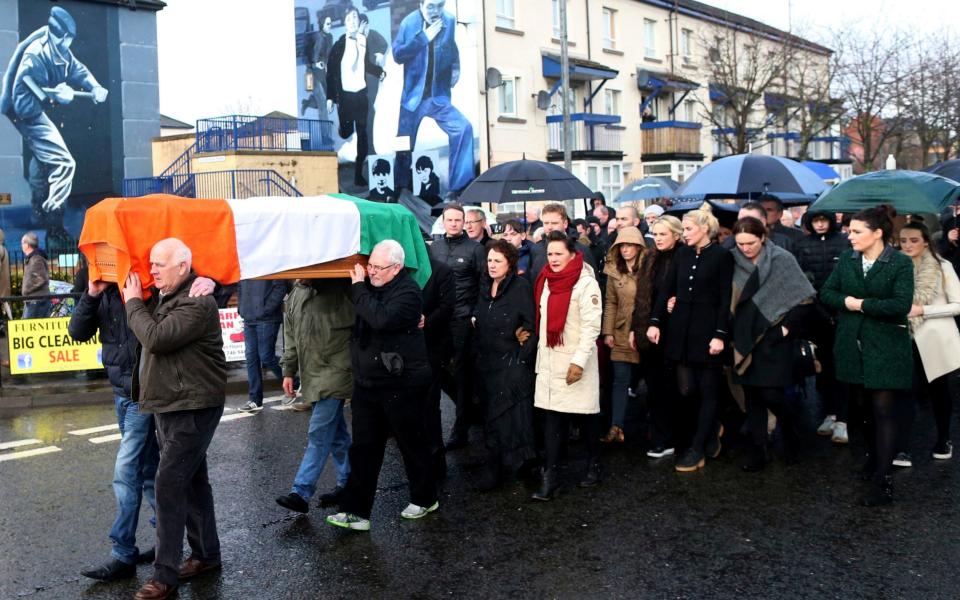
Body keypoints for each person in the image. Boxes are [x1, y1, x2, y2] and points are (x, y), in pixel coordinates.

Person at [73, 271, 214, 582]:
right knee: (150, 469)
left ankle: (123, 552)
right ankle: (166, 540)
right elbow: (77, 332)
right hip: (121, 393)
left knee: (126, 469)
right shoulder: (96, 279)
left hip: (144, 392)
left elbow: (190, 275)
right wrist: (92, 293)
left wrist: (211, 280)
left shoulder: (147, 276)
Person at [124, 238, 227, 600]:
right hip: (171, 403)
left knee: (168, 484)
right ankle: (206, 554)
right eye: (150, 264)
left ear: (183, 267)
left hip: (192, 406)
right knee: (194, 482)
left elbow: (154, 337)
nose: (151, 271)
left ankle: (164, 577)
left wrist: (133, 302)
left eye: (159, 264)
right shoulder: (169, 296)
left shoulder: (197, 302)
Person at [326, 241, 438, 530]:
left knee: (410, 443)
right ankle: (355, 512)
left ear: (397, 268)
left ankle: (425, 498)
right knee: (363, 447)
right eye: (371, 265)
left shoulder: (408, 292)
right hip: (368, 383)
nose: (372, 271)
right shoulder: (371, 286)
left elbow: (381, 318)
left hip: (402, 383)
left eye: (379, 267)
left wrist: (360, 287)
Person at [821, 205, 914, 507]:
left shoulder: (899, 262)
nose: (849, 236)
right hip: (851, 344)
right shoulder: (847, 260)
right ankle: (874, 456)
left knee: (884, 409)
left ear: (877, 233)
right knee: (860, 408)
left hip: (886, 347)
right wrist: (848, 301)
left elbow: (900, 304)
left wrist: (858, 304)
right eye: (849, 230)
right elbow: (827, 293)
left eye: (857, 231)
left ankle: (883, 478)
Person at [1, 6, 108, 238]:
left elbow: (78, 69)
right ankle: (54, 222)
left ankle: (38, 210)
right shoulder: (35, 56)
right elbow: (26, 93)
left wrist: (95, 87)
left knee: (43, 158)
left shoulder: (57, 47)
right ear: (64, 36)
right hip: (25, 109)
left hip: (34, 105)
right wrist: (54, 97)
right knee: (64, 162)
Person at [647, 204, 732, 472]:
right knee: (686, 389)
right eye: (683, 229)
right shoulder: (682, 255)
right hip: (681, 331)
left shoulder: (721, 256)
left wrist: (720, 334)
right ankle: (710, 428)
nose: (684, 234)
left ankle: (697, 448)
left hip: (708, 332)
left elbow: (724, 299)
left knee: (707, 389)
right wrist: (656, 321)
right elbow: (667, 291)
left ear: (705, 228)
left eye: (688, 228)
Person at [729, 217, 815, 471]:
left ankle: (791, 431)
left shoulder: (782, 259)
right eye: (740, 243)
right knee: (753, 397)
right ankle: (759, 451)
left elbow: (804, 297)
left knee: (771, 394)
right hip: (744, 334)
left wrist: (786, 328)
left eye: (751, 243)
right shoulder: (731, 261)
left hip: (775, 337)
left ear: (763, 237)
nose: (745, 248)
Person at [532, 232, 603, 500]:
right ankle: (550, 478)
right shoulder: (547, 279)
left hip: (576, 362)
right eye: (550, 254)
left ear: (572, 254)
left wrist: (579, 361)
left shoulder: (586, 284)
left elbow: (591, 327)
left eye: (559, 254)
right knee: (552, 419)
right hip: (550, 360)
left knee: (585, 417)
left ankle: (594, 462)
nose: (553, 259)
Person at [472, 240, 537, 491]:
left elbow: (530, 325)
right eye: (489, 260)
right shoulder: (486, 285)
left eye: (498, 260)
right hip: (487, 361)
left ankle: (512, 465)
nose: (492, 265)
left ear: (510, 263)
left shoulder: (520, 286)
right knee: (492, 417)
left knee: (511, 417)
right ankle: (504, 464)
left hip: (511, 362)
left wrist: (521, 357)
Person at [895, 221, 960, 465]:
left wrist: (924, 310)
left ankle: (944, 439)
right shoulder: (894, 266)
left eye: (913, 240)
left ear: (925, 241)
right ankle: (901, 447)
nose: (908, 245)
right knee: (904, 393)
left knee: (939, 393)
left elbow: (958, 304)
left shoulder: (943, 266)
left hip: (936, 341)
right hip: (904, 338)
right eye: (903, 240)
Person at [393, 0, 475, 193]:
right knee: (403, 142)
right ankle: (399, 185)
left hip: (438, 96)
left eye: (440, 5)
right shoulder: (408, 23)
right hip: (413, 97)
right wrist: (424, 38)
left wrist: (455, 71)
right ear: (420, 5)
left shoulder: (449, 20)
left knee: (464, 128)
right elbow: (398, 55)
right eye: (431, 6)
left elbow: (451, 48)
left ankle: (460, 187)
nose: (436, 11)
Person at [428, 204, 485, 449]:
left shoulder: (475, 249)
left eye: (458, 220)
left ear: (465, 222)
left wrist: (475, 313)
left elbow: (484, 283)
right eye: (449, 219)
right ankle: (470, 411)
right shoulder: (435, 247)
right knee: (435, 368)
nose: (454, 223)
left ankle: (461, 427)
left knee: (462, 372)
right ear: (443, 221)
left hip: (463, 318)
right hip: (439, 317)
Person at [795, 210, 850, 444]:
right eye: (815, 220)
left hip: (844, 311)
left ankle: (844, 419)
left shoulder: (844, 242)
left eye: (823, 220)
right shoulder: (802, 244)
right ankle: (830, 413)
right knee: (824, 367)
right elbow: (802, 280)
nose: (819, 224)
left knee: (844, 367)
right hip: (816, 313)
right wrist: (818, 310)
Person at [631, 216, 683, 458]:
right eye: (656, 234)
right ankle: (660, 437)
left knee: (673, 387)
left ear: (676, 234)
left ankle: (672, 437)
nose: (658, 238)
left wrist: (678, 302)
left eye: (663, 234)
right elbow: (641, 296)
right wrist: (635, 328)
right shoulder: (650, 257)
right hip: (649, 332)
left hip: (674, 331)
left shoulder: (683, 256)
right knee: (654, 387)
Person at [326, 6, 384, 187]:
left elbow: (364, 64)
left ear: (359, 21)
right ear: (344, 23)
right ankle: (345, 129)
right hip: (345, 98)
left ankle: (359, 174)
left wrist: (378, 71)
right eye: (349, 19)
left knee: (363, 134)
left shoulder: (362, 40)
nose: (352, 22)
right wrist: (330, 97)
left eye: (355, 18)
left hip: (360, 95)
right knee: (346, 131)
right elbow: (331, 73)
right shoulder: (338, 45)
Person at [600, 226, 644, 443]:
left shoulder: (648, 268)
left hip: (643, 331)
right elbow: (611, 301)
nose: (625, 249)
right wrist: (607, 331)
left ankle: (654, 429)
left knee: (650, 381)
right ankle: (616, 426)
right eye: (622, 245)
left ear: (638, 246)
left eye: (629, 245)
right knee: (620, 380)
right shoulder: (613, 269)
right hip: (620, 330)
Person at [421, 255, 456, 478]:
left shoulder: (441, 269)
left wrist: (427, 320)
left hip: (433, 345)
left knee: (430, 404)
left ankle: (436, 461)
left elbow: (447, 306)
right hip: (408, 348)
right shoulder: (398, 267)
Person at [237, 279, 288, 413]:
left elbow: (281, 286)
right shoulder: (247, 262)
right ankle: (255, 399)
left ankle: (294, 381)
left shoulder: (269, 261)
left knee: (266, 356)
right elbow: (241, 286)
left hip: (267, 318)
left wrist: (265, 309)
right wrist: (241, 308)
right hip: (250, 317)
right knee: (251, 358)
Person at [529, 204, 598, 279]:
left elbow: (593, 280)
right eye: (546, 223)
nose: (549, 227)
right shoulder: (536, 249)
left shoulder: (581, 249)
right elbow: (532, 280)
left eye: (554, 223)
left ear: (565, 224)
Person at [302, 14, 335, 146]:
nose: (329, 26)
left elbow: (329, 55)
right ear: (321, 24)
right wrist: (316, 63)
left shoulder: (329, 37)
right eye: (327, 23)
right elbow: (314, 55)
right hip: (311, 74)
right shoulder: (319, 38)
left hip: (322, 73)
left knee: (323, 101)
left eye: (330, 24)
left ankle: (307, 103)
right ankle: (325, 137)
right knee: (322, 104)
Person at [358, 13, 388, 155]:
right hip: (365, 79)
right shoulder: (360, 39)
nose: (360, 28)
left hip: (372, 78)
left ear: (365, 24)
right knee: (369, 112)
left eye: (361, 25)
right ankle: (369, 148)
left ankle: (370, 148)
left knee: (370, 111)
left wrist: (380, 54)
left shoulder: (373, 34)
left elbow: (384, 44)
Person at [502, 218, 542, 283]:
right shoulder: (499, 255)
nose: (508, 238)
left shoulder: (532, 254)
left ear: (523, 236)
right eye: (505, 235)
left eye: (513, 234)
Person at [21, 231, 50, 319]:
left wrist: (27, 290)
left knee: (28, 328)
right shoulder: (33, 258)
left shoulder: (36, 259)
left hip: (37, 300)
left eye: (22, 243)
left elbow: (41, 278)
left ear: (27, 245)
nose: (21, 246)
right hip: (34, 299)